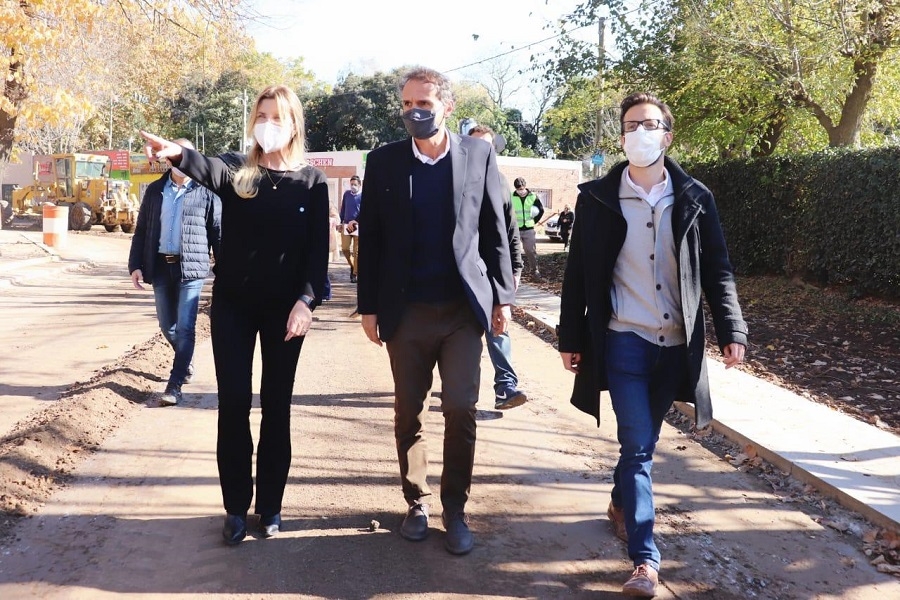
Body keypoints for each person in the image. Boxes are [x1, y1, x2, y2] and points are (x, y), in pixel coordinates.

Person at [557, 92, 747, 597]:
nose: (640, 132)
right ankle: (645, 560)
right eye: (630, 125)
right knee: (638, 447)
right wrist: (570, 336)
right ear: (622, 137)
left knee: (642, 443)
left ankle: (621, 502)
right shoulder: (597, 198)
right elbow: (577, 274)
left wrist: (732, 329)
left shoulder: (695, 197)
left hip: (675, 346)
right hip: (624, 340)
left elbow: (718, 270)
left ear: (668, 135)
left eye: (650, 123)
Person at [140, 84, 330, 546]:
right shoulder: (238, 172)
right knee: (234, 404)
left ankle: (271, 506)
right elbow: (203, 166)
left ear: (294, 125)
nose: (268, 125)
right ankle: (235, 508)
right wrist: (176, 153)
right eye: (261, 116)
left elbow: (316, 255)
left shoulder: (312, 182)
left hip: (286, 313)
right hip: (233, 308)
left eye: (277, 117)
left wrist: (306, 302)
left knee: (277, 407)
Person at [357, 66, 515, 556]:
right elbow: (372, 238)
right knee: (409, 409)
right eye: (406, 104)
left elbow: (494, 228)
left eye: (423, 103)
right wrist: (368, 306)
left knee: (461, 407)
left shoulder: (478, 154)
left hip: (462, 310)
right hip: (405, 311)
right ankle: (417, 500)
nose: (414, 112)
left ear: (447, 106)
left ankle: (455, 507)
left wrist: (503, 298)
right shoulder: (383, 161)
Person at [128, 139, 221, 407]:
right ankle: (185, 360)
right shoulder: (155, 190)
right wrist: (135, 265)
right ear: (168, 160)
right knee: (166, 325)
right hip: (159, 267)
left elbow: (218, 232)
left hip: (191, 269)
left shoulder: (207, 191)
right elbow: (142, 230)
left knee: (186, 327)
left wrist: (224, 270)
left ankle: (175, 384)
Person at [467, 125, 527, 410]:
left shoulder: (501, 183)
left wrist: (515, 269)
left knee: (498, 326)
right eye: (477, 145)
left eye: (488, 146)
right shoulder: (453, 179)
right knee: (463, 336)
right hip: (462, 272)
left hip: (494, 271)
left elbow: (510, 230)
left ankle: (506, 386)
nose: (483, 151)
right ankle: (461, 388)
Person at [511, 177, 544, 280]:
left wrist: (534, 221)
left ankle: (534, 270)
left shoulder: (533, 196)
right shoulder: (511, 197)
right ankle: (514, 271)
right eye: (518, 189)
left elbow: (541, 210)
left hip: (529, 228)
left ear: (525, 187)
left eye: (522, 189)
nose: (520, 191)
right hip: (515, 229)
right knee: (514, 251)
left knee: (530, 250)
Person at [339, 175, 362, 283]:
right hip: (347, 225)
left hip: (357, 225)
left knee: (356, 252)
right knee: (345, 248)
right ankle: (353, 265)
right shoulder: (347, 194)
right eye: (351, 184)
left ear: (359, 185)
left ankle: (355, 273)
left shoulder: (363, 196)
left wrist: (357, 220)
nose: (353, 186)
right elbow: (343, 208)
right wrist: (340, 221)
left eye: (355, 184)